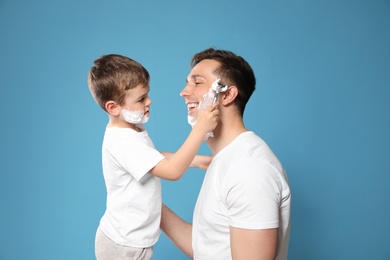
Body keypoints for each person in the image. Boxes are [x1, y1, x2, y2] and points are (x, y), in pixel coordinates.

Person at [160, 48, 291, 260]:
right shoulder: (227, 160)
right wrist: (148, 204)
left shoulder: (249, 167)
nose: (184, 92)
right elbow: (207, 248)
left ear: (228, 94)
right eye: (187, 82)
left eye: (197, 82)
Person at [87, 54, 219, 260]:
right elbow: (171, 171)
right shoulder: (122, 140)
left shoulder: (132, 130)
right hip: (122, 245)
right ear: (113, 107)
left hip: (133, 241)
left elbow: (155, 159)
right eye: (140, 99)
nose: (149, 101)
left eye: (147, 94)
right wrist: (199, 129)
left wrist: (198, 161)